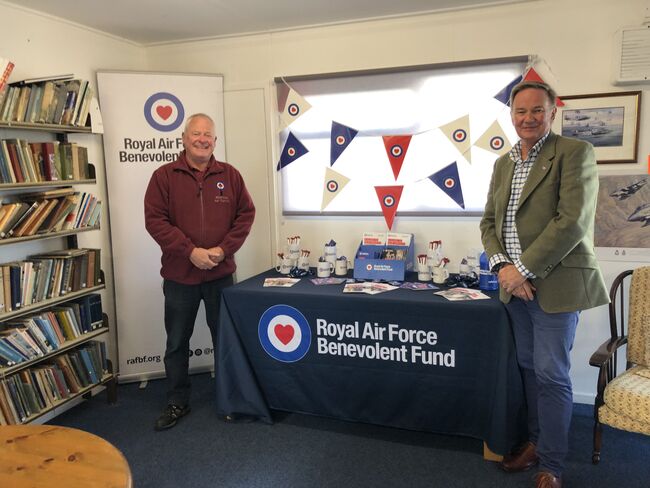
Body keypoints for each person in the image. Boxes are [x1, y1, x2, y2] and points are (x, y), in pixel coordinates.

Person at [479, 81, 608, 488]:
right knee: (530, 369)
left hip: (554, 285)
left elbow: (570, 222)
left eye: (537, 110)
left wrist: (522, 270)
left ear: (553, 113)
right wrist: (504, 269)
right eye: (521, 112)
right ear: (511, 115)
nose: (528, 118)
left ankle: (552, 464)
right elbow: (489, 223)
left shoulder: (574, 154)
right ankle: (535, 443)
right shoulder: (503, 163)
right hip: (514, 287)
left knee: (552, 374)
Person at [144, 113, 255, 431]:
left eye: (208, 134)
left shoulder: (230, 176)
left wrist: (223, 250)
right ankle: (177, 401)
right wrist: (189, 251)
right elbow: (155, 220)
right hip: (180, 276)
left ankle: (228, 397)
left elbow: (245, 215)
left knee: (225, 338)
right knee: (177, 342)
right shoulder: (164, 176)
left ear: (215, 141)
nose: (202, 139)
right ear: (183, 138)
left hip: (221, 275)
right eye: (196, 133)